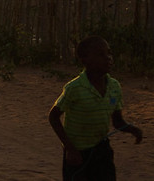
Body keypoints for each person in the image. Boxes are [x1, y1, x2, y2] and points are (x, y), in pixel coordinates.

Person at [48, 36, 143, 180]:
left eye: (109, 53)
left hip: (102, 150)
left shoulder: (114, 87)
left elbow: (117, 122)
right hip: (78, 154)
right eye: (101, 54)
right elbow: (53, 117)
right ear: (84, 60)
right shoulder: (75, 88)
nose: (108, 58)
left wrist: (132, 129)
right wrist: (70, 149)